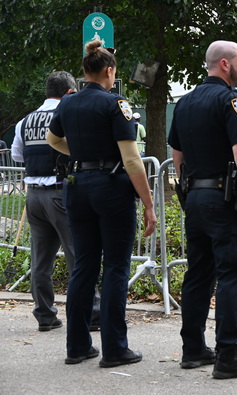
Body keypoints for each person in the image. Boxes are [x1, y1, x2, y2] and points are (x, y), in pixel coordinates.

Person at [47, 40, 157, 366]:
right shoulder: (116, 104)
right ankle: (114, 348)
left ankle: (77, 346)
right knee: (116, 268)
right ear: (109, 71)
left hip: (77, 187)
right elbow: (133, 160)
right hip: (110, 188)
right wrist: (149, 204)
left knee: (83, 267)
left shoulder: (67, 104)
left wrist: (82, 155)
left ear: (84, 71)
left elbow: (54, 140)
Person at [167, 40, 237, 379]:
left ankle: (192, 348)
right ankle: (228, 354)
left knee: (198, 274)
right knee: (233, 273)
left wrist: (188, 192)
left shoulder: (184, 103)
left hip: (195, 198)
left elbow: (177, 157)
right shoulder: (231, 100)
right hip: (225, 201)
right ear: (225, 64)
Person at [11, 71, 101, 332]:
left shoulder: (25, 121)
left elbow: (17, 156)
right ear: (70, 91)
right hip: (61, 192)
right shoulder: (67, 116)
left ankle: (45, 315)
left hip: (34, 196)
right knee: (79, 255)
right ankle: (92, 313)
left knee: (41, 260)